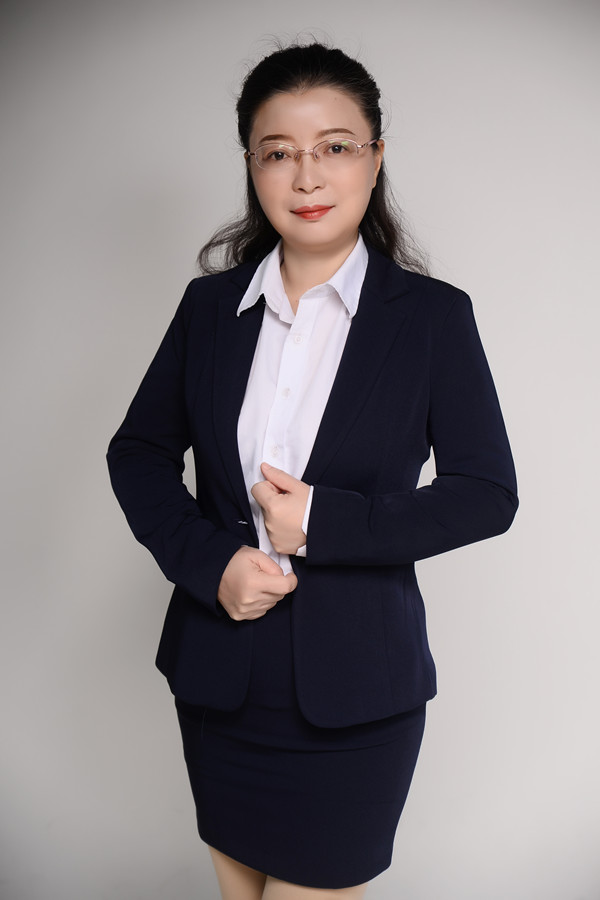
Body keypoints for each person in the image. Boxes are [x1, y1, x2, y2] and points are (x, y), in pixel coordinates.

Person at [107, 41, 518, 900]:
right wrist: (211, 563)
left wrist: (323, 522)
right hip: (218, 682)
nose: (307, 176)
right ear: (252, 167)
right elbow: (137, 453)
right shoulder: (209, 310)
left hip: (357, 694)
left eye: (335, 146)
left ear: (375, 157)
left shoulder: (432, 318)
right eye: (278, 152)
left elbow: (486, 494)